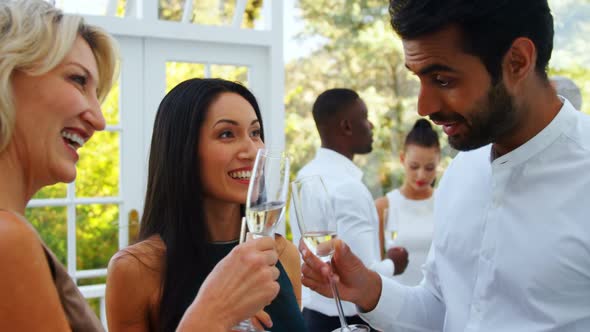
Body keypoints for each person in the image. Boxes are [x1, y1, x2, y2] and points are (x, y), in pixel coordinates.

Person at [300, 0, 590, 331]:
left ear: (517, 61)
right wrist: (368, 289)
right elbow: (442, 308)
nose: (424, 106)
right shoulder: (462, 171)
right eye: (419, 80)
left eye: (442, 79)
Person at [0, 1, 281, 331]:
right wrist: (213, 311)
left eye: (255, 132)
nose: (99, 119)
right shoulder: (7, 239)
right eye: (78, 80)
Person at [106, 78, 306, 332]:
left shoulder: (282, 253)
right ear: (183, 149)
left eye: (255, 133)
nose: (252, 149)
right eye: (226, 134)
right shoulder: (135, 269)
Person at [290, 88, 407, 332]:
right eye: (365, 117)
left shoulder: (305, 176)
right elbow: (362, 273)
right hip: (351, 322)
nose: (371, 125)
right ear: (346, 126)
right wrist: (394, 264)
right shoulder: (349, 187)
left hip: (312, 319)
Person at [374, 119, 441, 286]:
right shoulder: (384, 206)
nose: (421, 175)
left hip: (440, 301)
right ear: (403, 159)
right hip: (398, 301)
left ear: (439, 161)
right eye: (414, 166)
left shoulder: (446, 201)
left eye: (429, 168)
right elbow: (374, 266)